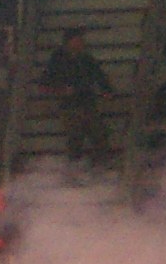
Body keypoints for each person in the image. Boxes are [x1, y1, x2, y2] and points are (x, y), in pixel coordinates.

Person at [39, 28, 115, 163]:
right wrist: (61, 89)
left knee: (99, 133)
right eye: (77, 40)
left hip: (87, 101)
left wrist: (107, 90)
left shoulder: (86, 59)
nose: (80, 43)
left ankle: (101, 162)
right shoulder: (58, 59)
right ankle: (75, 163)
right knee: (75, 135)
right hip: (69, 104)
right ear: (68, 42)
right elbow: (46, 80)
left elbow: (99, 75)